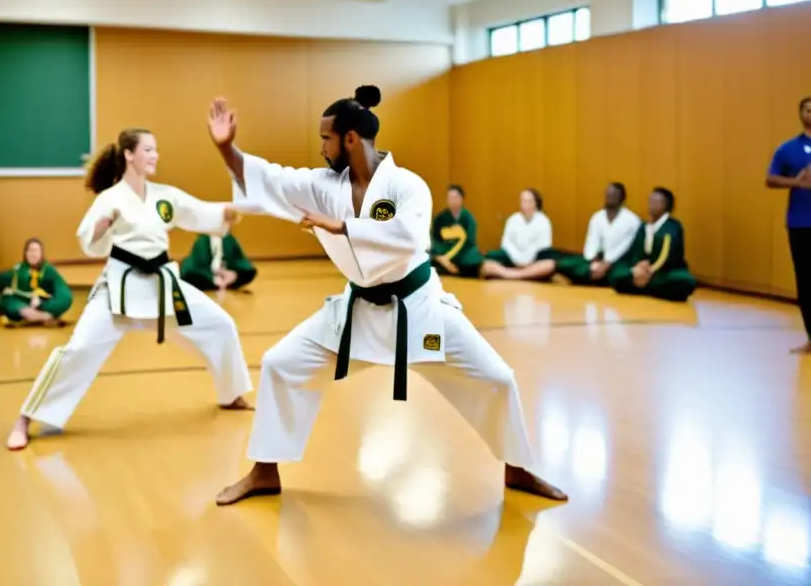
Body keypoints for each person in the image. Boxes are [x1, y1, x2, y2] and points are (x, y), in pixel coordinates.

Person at [207, 87, 566, 506]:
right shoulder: (324, 185)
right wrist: (227, 149)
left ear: (351, 139)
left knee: (497, 379)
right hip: (356, 312)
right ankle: (265, 471)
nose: (321, 147)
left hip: (418, 311)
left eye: (326, 138)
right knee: (280, 365)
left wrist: (342, 228)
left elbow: (411, 236)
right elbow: (271, 179)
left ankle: (517, 468)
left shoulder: (407, 186)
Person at [5, 128, 254, 451]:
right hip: (119, 288)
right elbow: (90, 242)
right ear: (128, 155)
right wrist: (101, 227)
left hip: (163, 285)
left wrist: (233, 210)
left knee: (220, 325)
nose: (155, 156)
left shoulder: (165, 196)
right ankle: (25, 419)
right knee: (78, 351)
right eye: (148, 150)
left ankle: (231, 393)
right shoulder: (109, 199)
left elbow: (200, 212)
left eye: (156, 149)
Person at [766, 96, 811, 354]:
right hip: (802, 223)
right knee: (806, 282)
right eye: (807, 109)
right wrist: (797, 183)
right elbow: (770, 179)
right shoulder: (788, 149)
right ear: (800, 114)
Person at [608, 187, 697, 302]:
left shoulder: (672, 226)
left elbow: (666, 254)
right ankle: (648, 287)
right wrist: (637, 268)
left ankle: (641, 286)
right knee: (616, 273)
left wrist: (651, 270)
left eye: (656, 202)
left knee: (685, 281)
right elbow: (636, 250)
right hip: (643, 270)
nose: (651, 205)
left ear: (666, 206)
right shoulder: (644, 226)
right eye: (650, 201)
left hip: (665, 271)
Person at [553, 183, 641, 285]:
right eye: (608, 193)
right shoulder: (597, 217)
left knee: (620, 273)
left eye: (614, 194)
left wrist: (607, 263)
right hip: (597, 260)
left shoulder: (632, 220)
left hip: (619, 261)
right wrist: (593, 259)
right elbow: (592, 240)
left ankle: (595, 276)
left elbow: (626, 246)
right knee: (566, 263)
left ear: (622, 198)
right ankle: (593, 274)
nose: (610, 196)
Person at [481, 189, 556, 281]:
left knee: (549, 264)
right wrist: (516, 260)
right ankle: (518, 274)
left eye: (529, 201)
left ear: (536, 203)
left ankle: (510, 274)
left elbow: (543, 247)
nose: (525, 204)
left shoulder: (544, 221)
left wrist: (526, 261)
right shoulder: (513, 219)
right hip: (512, 260)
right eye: (523, 201)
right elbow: (506, 243)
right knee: (486, 262)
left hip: (533, 262)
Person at [0, 238, 73, 326]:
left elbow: (63, 292)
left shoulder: (48, 270)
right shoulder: (18, 269)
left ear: (41, 253)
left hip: (43, 305)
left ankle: (35, 318)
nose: (33, 254)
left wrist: (40, 302)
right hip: (23, 305)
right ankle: (45, 317)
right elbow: (1, 283)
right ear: (25, 253)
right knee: (7, 302)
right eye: (30, 251)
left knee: (64, 299)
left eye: (36, 251)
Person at [179, 223, 258, 297]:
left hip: (225, 272)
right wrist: (212, 277)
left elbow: (239, 259)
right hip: (206, 274)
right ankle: (214, 283)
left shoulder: (229, 239)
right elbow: (199, 263)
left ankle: (224, 283)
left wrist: (233, 274)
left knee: (249, 272)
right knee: (192, 276)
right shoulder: (202, 240)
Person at [430, 184, 483, 277]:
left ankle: (451, 268)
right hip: (445, 251)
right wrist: (441, 256)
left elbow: (470, 241)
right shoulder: (440, 217)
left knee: (472, 257)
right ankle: (447, 266)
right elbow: (435, 239)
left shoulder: (468, 218)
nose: (452, 201)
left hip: (462, 252)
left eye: (455, 197)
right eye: (450, 198)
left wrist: (452, 255)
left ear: (461, 199)